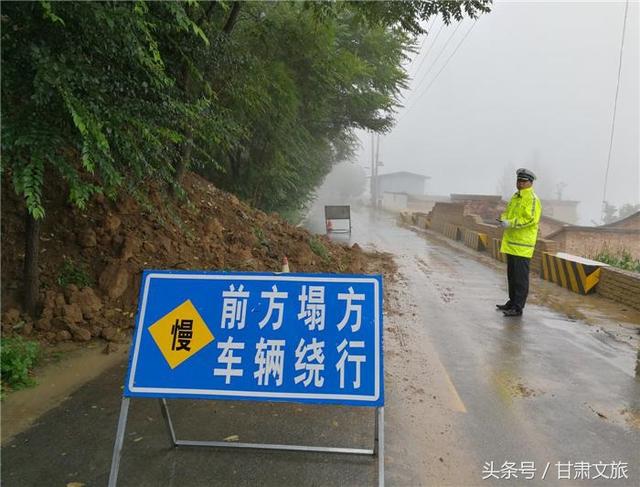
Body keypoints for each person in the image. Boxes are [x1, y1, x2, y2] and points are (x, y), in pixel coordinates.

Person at [496, 168, 542, 317]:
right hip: (511, 243)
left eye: (523, 181)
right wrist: (504, 220)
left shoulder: (532, 199)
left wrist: (511, 223)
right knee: (512, 276)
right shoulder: (515, 197)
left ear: (530, 183)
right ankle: (512, 301)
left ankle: (518, 307)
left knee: (521, 278)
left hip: (523, 245)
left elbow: (530, 219)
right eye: (518, 180)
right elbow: (508, 213)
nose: (520, 184)